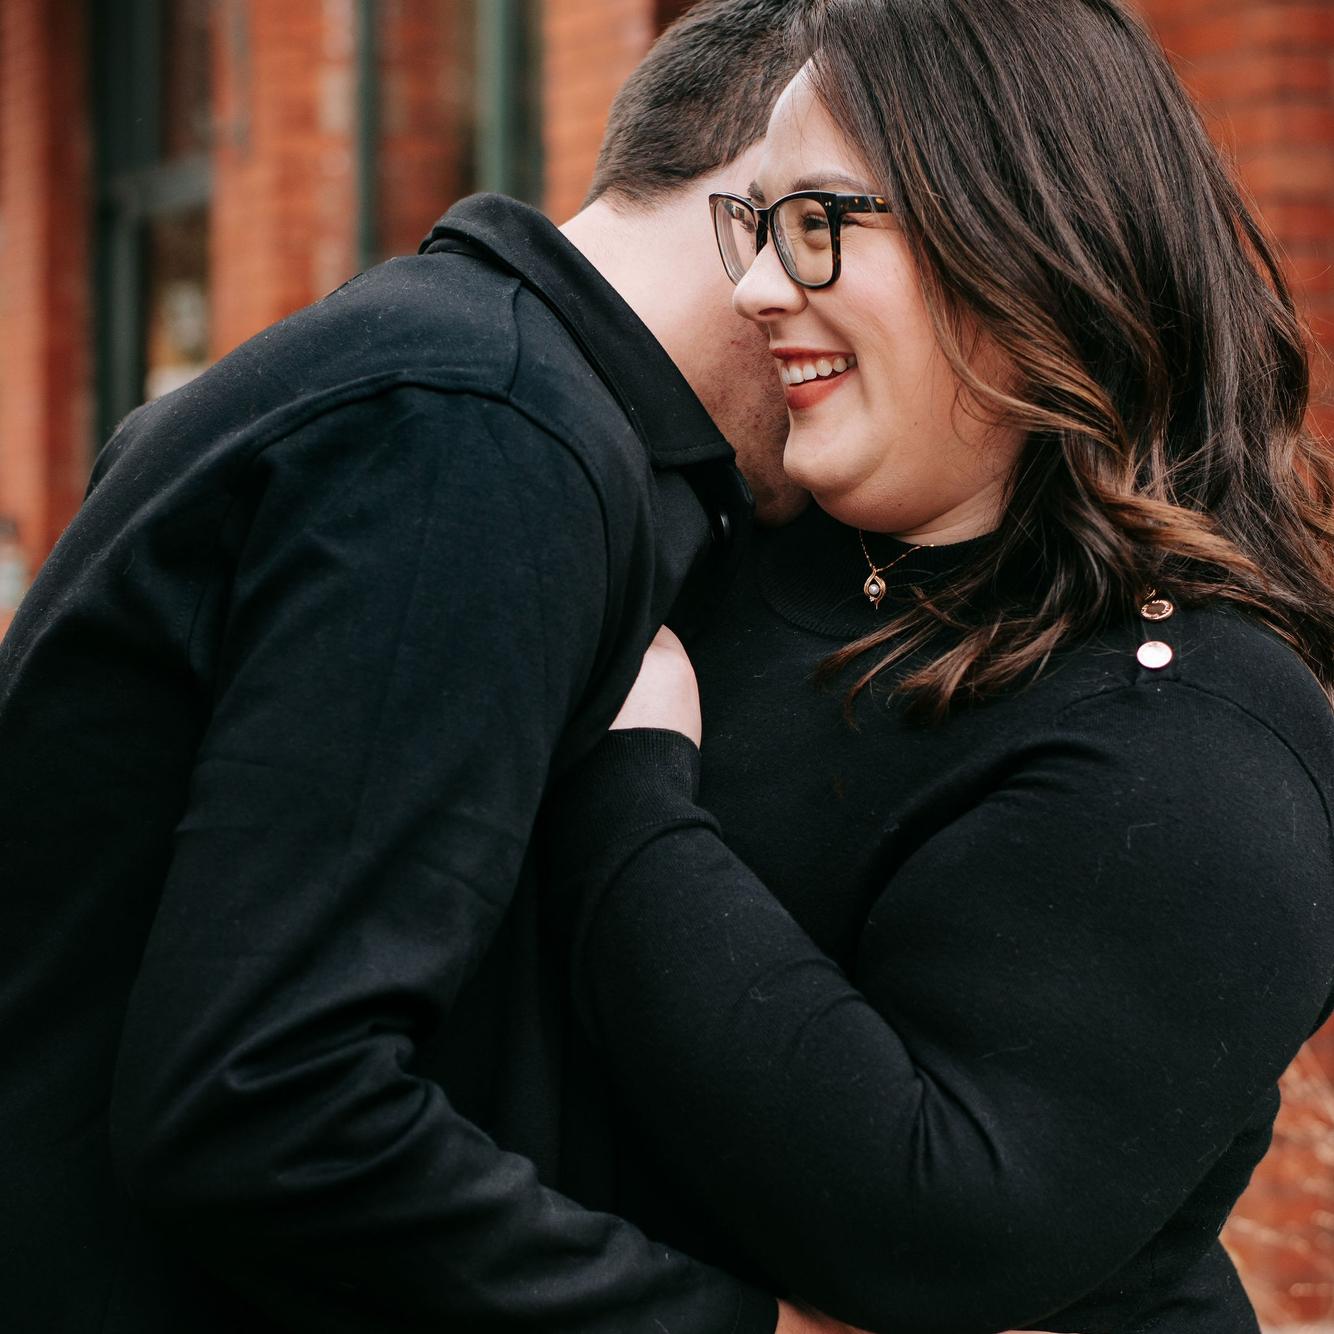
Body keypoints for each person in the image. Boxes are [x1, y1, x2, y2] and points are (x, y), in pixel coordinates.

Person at [0, 4, 857, 1331]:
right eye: (869, 234)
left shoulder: (468, 379)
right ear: (768, 201)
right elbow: (272, 1103)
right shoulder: (483, 435)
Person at [546, 1, 1334, 1331]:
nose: (756, 287)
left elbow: (943, 1225)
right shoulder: (730, 557)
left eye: (816, 222)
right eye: (755, 225)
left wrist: (624, 794)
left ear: (1016, 235)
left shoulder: (1200, 727)